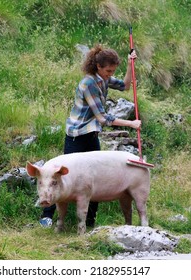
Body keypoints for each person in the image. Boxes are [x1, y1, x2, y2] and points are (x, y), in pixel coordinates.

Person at [39, 44, 141, 228]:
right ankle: (47, 215)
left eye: (113, 71)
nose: (110, 74)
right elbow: (102, 118)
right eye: (108, 70)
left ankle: (89, 221)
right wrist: (131, 124)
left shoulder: (103, 79)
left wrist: (129, 63)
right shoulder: (89, 83)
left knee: (96, 178)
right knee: (58, 176)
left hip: (91, 134)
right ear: (98, 67)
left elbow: (126, 86)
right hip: (77, 136)